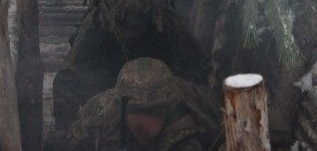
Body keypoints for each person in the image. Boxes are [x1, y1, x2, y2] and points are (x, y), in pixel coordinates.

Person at [52, 0, 210, 131]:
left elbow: (195, 70)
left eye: (137, 22)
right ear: (112, 19)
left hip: (160, 105)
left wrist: (170, 95)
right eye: (124, 23)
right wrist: (68, 132)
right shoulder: (96, 28)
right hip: (109, 99)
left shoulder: (166, 27)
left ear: (148, 16)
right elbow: (68, 79)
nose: (130, 31)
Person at [48, 58, 224, 151]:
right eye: (138, 110)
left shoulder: (189, 127)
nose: (145, 122)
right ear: (124, 106)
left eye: (154, 112)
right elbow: (69, 143)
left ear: (167, 108)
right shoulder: (102, 114)